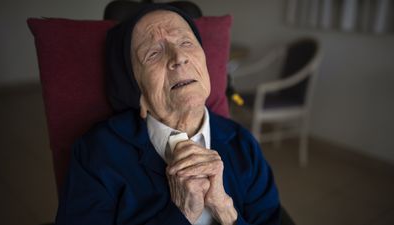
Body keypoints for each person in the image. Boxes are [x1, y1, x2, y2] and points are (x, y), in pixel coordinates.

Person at [56, 4, 281, 225]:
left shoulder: (242, 143)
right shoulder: (98, 153)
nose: (179, 57)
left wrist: (226, 211)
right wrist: (181, 213)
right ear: (135, 89)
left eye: (186, 42)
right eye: (153, 53)